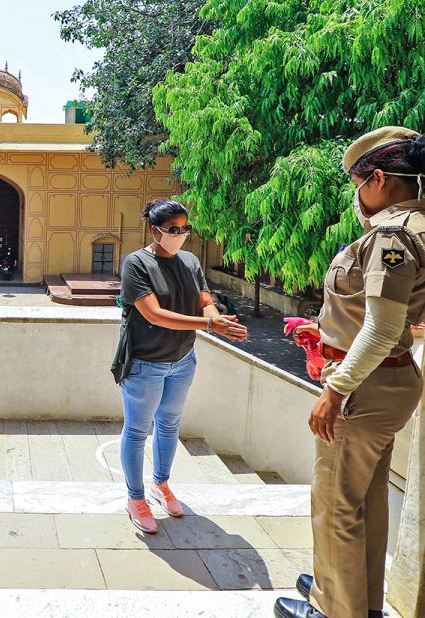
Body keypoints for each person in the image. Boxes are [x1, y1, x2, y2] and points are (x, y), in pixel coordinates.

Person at [275, 127, 425, 618]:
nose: (357, 197)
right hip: (388, 381)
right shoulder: (419, 225)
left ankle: (332, 608)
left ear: (378, 178)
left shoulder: (391, 234)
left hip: (365, 387)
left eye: (358, 184)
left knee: (336, 504)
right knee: (365, 499)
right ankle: (355, 598)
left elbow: (381, 328)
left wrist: (336, 389)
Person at [111, 199, 247, 534]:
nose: (181, 235)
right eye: (173, 230)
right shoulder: (137, 264)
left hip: (182, 360)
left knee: (170, 426)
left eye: (185, 229)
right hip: (146, 363)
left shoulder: (189, 261)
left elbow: (205, 301)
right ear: (155, 230)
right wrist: (209, 326)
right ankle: (135, 498)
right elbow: (153, 314)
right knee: (137, 430)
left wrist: (217, 319)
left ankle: (161, 484)